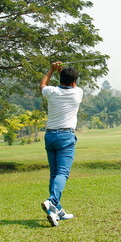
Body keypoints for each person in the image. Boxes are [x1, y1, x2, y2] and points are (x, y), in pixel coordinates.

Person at [39, 61, 83, 226]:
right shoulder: (78, 93)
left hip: (50, 136)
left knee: (54, 173)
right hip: (65, 136)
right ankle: (52, 201)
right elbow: (69, 84)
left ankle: (57, 210)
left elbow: (43, 85)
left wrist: (51, 69)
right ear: (74, 82)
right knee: (62, 174)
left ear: (60, 79)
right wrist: (63, 73)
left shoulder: (51, 92)